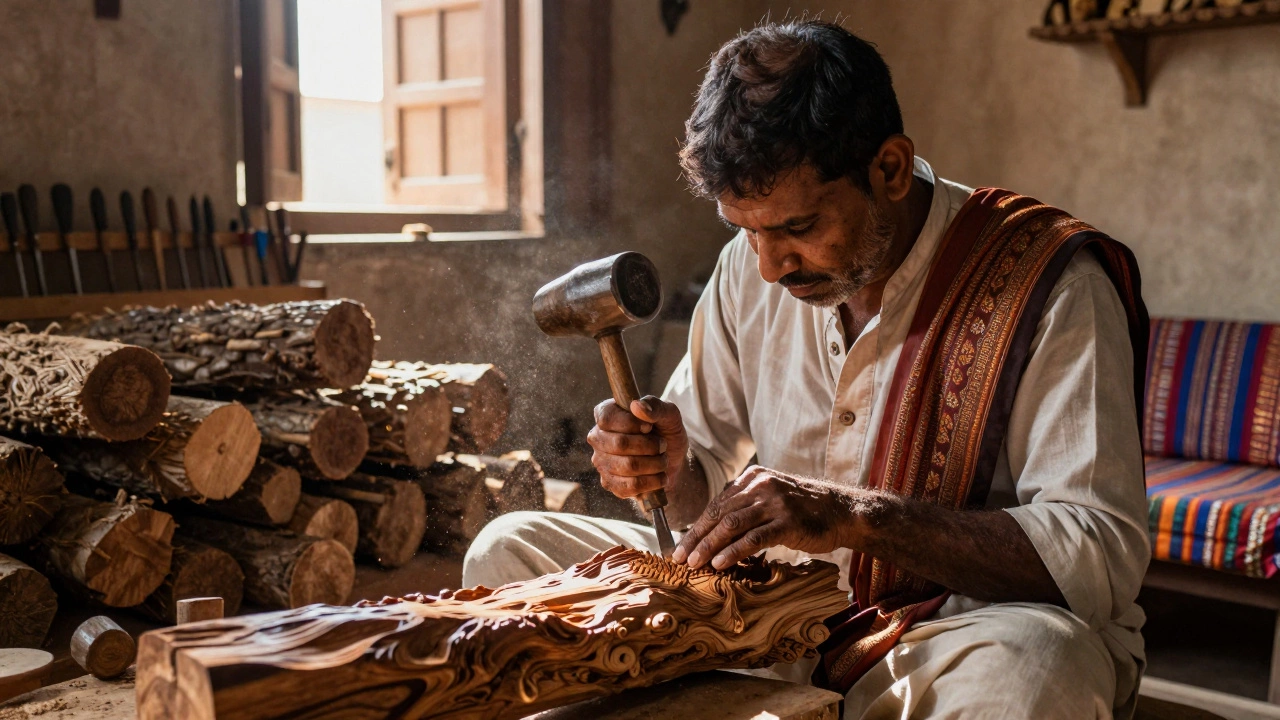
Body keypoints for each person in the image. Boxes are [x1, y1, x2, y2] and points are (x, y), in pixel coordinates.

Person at [464, 19, 1150, 719]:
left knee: (1040, 668)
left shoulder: (1050, 284)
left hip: (948, 634)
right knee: (509, 550)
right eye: (746, 229)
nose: (769, 265)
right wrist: (671, 468)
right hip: (773, 616)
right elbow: (702, 480)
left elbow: (1098, 555)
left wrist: (854, 517)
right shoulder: (751, 269)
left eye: (797, 228)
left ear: (888, 167)